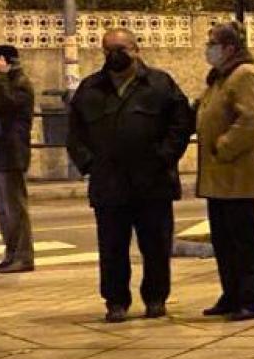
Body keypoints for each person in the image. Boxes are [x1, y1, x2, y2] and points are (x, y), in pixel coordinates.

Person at [67, 28, 193, 323]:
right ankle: (115, 301)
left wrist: (164, 157)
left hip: (153, 183)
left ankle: (156, 298)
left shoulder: (160, 84)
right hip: (109, 184)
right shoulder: (90, 88)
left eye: (121, 48)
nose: (115, 55)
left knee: (156, 247)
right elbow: (75, 133)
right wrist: (90, 164)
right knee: (112, 248)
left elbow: (181, 125)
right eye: (108, 49)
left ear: (136, 49)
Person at [196, 22, 254, 322]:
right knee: (223, 240)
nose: (208, 48)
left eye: (212, 42)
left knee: (243, 240)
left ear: (228, 48)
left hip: (235, 173)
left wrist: (224, 146)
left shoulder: (243, 75)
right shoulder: (219, 79)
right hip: (217, 175)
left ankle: (250, 299)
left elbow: (251, 119)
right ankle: (232, 293)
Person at [0, 44, 36, 273]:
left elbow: (7, 106)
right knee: (3, 209)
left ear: (6, 60)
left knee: (15, 208)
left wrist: (1, 77)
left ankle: (22, 256)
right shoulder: (1, 83)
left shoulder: (19, 84)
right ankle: (11, 254)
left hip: (11, 153)